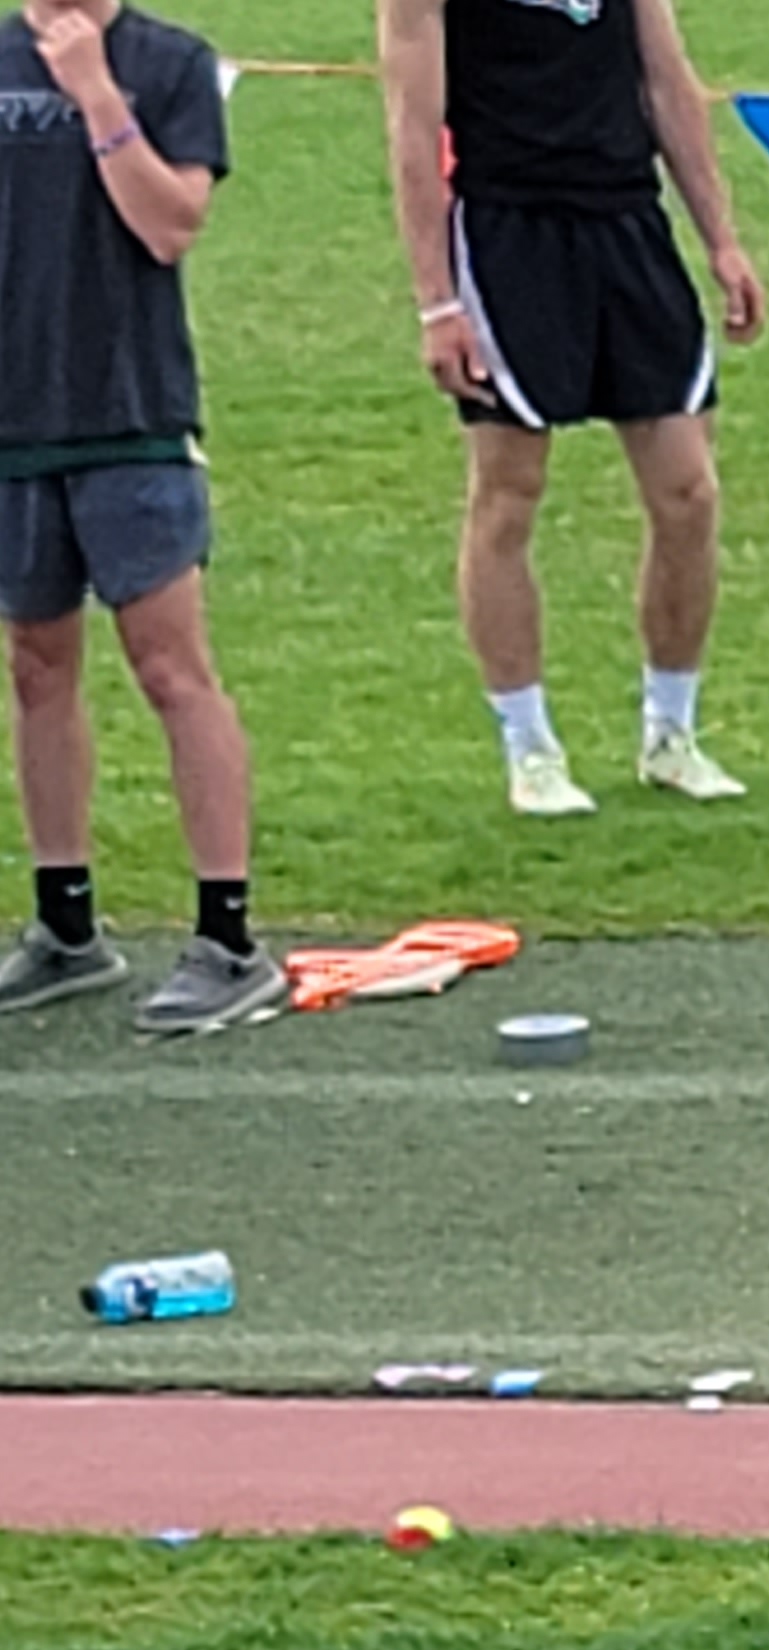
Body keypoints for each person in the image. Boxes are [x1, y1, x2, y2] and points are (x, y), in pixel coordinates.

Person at [379, 0, 760, 817]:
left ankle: (672, 733)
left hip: (629, 224)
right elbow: (413, 125)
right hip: (506, 232)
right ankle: (530, 747)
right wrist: (436, 303)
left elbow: (667, 81)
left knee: (689, 493)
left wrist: (722, 241)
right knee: (509, 491)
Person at [1, 0, 276, 1034]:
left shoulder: (168, 63)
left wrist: (96, 96)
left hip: (130, 415)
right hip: (15, 423)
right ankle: (66, 924)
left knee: (171, 667)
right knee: (36, 664)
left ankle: (229, 938)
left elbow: (168, 225)